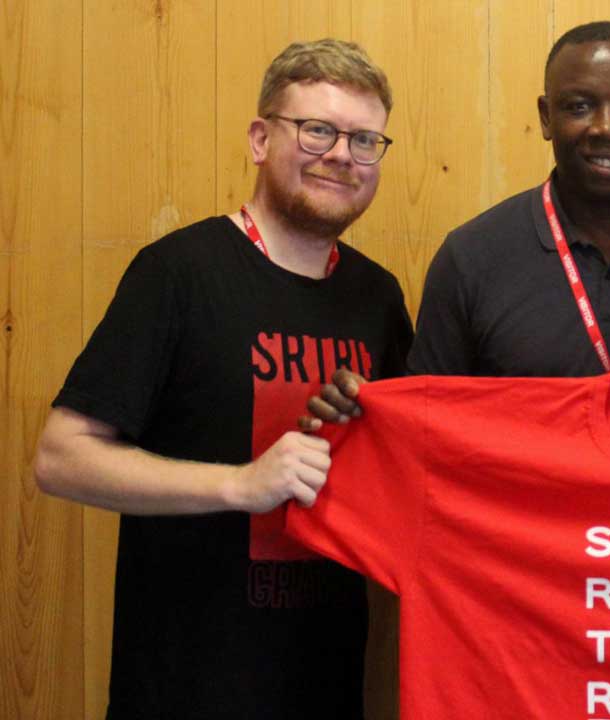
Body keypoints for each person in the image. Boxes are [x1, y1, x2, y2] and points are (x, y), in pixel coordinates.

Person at [33, 39, 413, 718]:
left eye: (364, 139)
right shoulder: (178, 272)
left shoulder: (378, 298)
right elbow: (61, 458)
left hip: (326, 683)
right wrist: (239, 484)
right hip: (186, 686)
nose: (341, 155)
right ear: (262, 138)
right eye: (318, 129)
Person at [305, 21, 610, 425]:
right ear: (546, 118)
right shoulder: (471, 258)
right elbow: (427, 433)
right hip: (518, 533)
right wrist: (358, 418)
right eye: (578, 106)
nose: (607, 126)